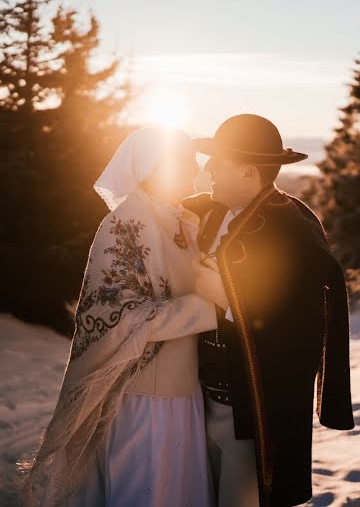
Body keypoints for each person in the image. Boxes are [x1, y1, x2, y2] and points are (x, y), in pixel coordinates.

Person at [19, 126, 221, 507]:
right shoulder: (124, 225)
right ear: (156, 167)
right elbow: (119, 316)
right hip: (143, 399)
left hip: (184, 395)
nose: (198, 170)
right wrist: (210, 310)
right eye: (186, 161)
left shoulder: (185, 221)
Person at [184, 114, 355, 507]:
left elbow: (301, 326)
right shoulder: (211, 213)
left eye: (218, 161)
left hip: (251, 412)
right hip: (201, 401)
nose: (207, 169)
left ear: (247, 171)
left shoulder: (290, 228)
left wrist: (228, 299)